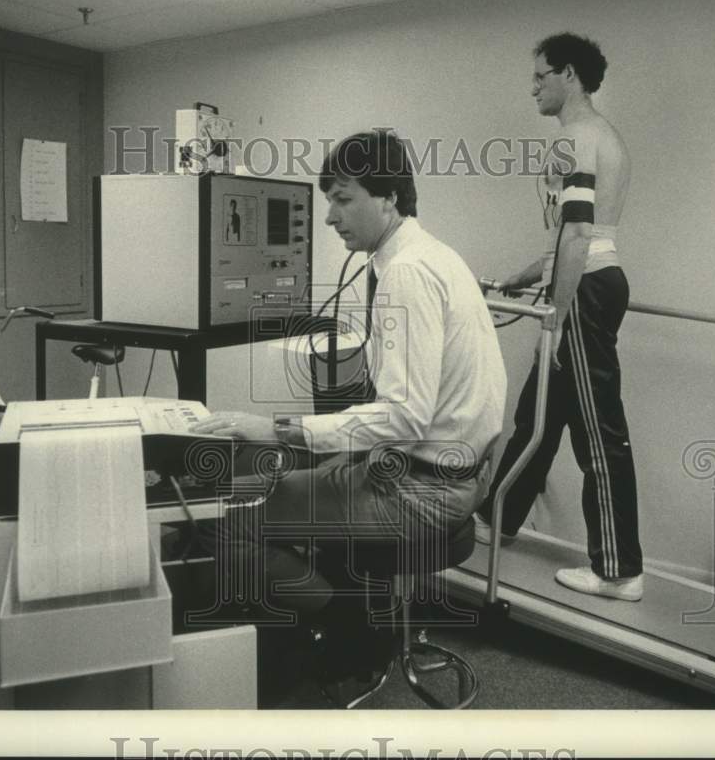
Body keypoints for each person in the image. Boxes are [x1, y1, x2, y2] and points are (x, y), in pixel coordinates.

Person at [193, 130, 507, 623]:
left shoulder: (406, 272)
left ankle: (343, 633)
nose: (329, 216)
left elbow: (405, 416)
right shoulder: (437, 256)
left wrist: (277, 428)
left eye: (342, 199)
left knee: (233, 515)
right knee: (276, 477)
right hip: (444, 475)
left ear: (390, 199)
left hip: (420, 490)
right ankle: (340, 615)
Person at [475, 33, 644, 601]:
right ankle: (498, 518)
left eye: (541, 76)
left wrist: (557, 316)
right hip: (584, 275)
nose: (533, 87)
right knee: (538, 414)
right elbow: (573, 235)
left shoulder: (576, 138)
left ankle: (620, 572)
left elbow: (578, 235)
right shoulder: (600, 136)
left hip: (586, 289)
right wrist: (528, 277)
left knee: (598, 432)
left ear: (568, 75)